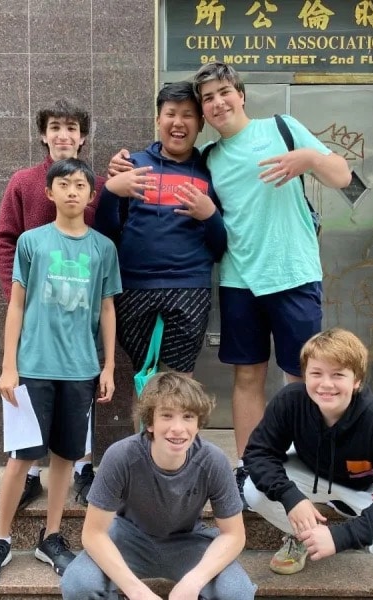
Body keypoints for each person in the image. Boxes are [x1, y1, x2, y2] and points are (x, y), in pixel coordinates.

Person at [190, 61, 352, 500]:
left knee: (301, 377)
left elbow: (345, 178)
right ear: (203, 111)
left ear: (241, 94)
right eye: (208, 98)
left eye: (224, 92)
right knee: (248, 375)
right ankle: (249, 468)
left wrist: (311, 158)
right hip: (240, 279)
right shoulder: (209, 158)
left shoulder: (283, 127)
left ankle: (303, 468)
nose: (218, 102)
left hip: (293, 272)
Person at [0, 158, 122, 586]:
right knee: (21, 458)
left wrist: (108, 366)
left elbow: (107, 307)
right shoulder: (31, 243)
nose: (72, 191)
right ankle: (0, 540)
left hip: (79, 370)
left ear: (92, 196)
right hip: (33, 367)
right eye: (64, 184)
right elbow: (16, 305)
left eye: (80, 185)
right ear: (49, 193)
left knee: (65, 457)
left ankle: (51, 536)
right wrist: (8, 366)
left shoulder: (102, 248)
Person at [242, 328, 373, 599]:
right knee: (253, 490)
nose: (325, 384)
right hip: (312, 473)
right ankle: (304, 537)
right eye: (316, 373)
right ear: (305, 375)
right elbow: (258, 453)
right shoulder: (290, 402)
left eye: (338, 374)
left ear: (357, 381)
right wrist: (291, 497)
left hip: (366, 490)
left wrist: (340, 537)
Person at [0, 99, 103, 508]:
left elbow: (108, 241)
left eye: (71, 128)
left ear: (82, 137)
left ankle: (81, 468)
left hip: (79, 312)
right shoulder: (24, 182)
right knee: (28, 390)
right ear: (43, 134)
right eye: (55, 127)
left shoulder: (98, 185)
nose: (63, 135)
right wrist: (17, 291)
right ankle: (29, 474)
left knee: (79, 391)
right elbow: (5, 239)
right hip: (34, 316)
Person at [60, 372, 256, 600]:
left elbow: (233, 535)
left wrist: (194, 581)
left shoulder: (213, 460)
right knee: (78, 583)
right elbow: (93, 534)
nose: (178, 428)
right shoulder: (121, 456)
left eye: (188, 416)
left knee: (237, 592)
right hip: (128, 538)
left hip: (187, 542)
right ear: (150, 422)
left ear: (198, 423)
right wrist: (135, 590)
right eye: (167, 416)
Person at [96, 82, 227, 397]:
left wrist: (209, 214)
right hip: (134, 288)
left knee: (182, 382)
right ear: (158, 119)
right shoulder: (134, 165)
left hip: (189, 287)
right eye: (170, 114)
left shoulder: (211, 172)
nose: (178, 123)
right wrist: (110, 192)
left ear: (200, 124)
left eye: (188, 115)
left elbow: (220, 248)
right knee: (145, 382)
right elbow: (106, 233)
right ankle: (145, 444)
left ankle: (181, 445)